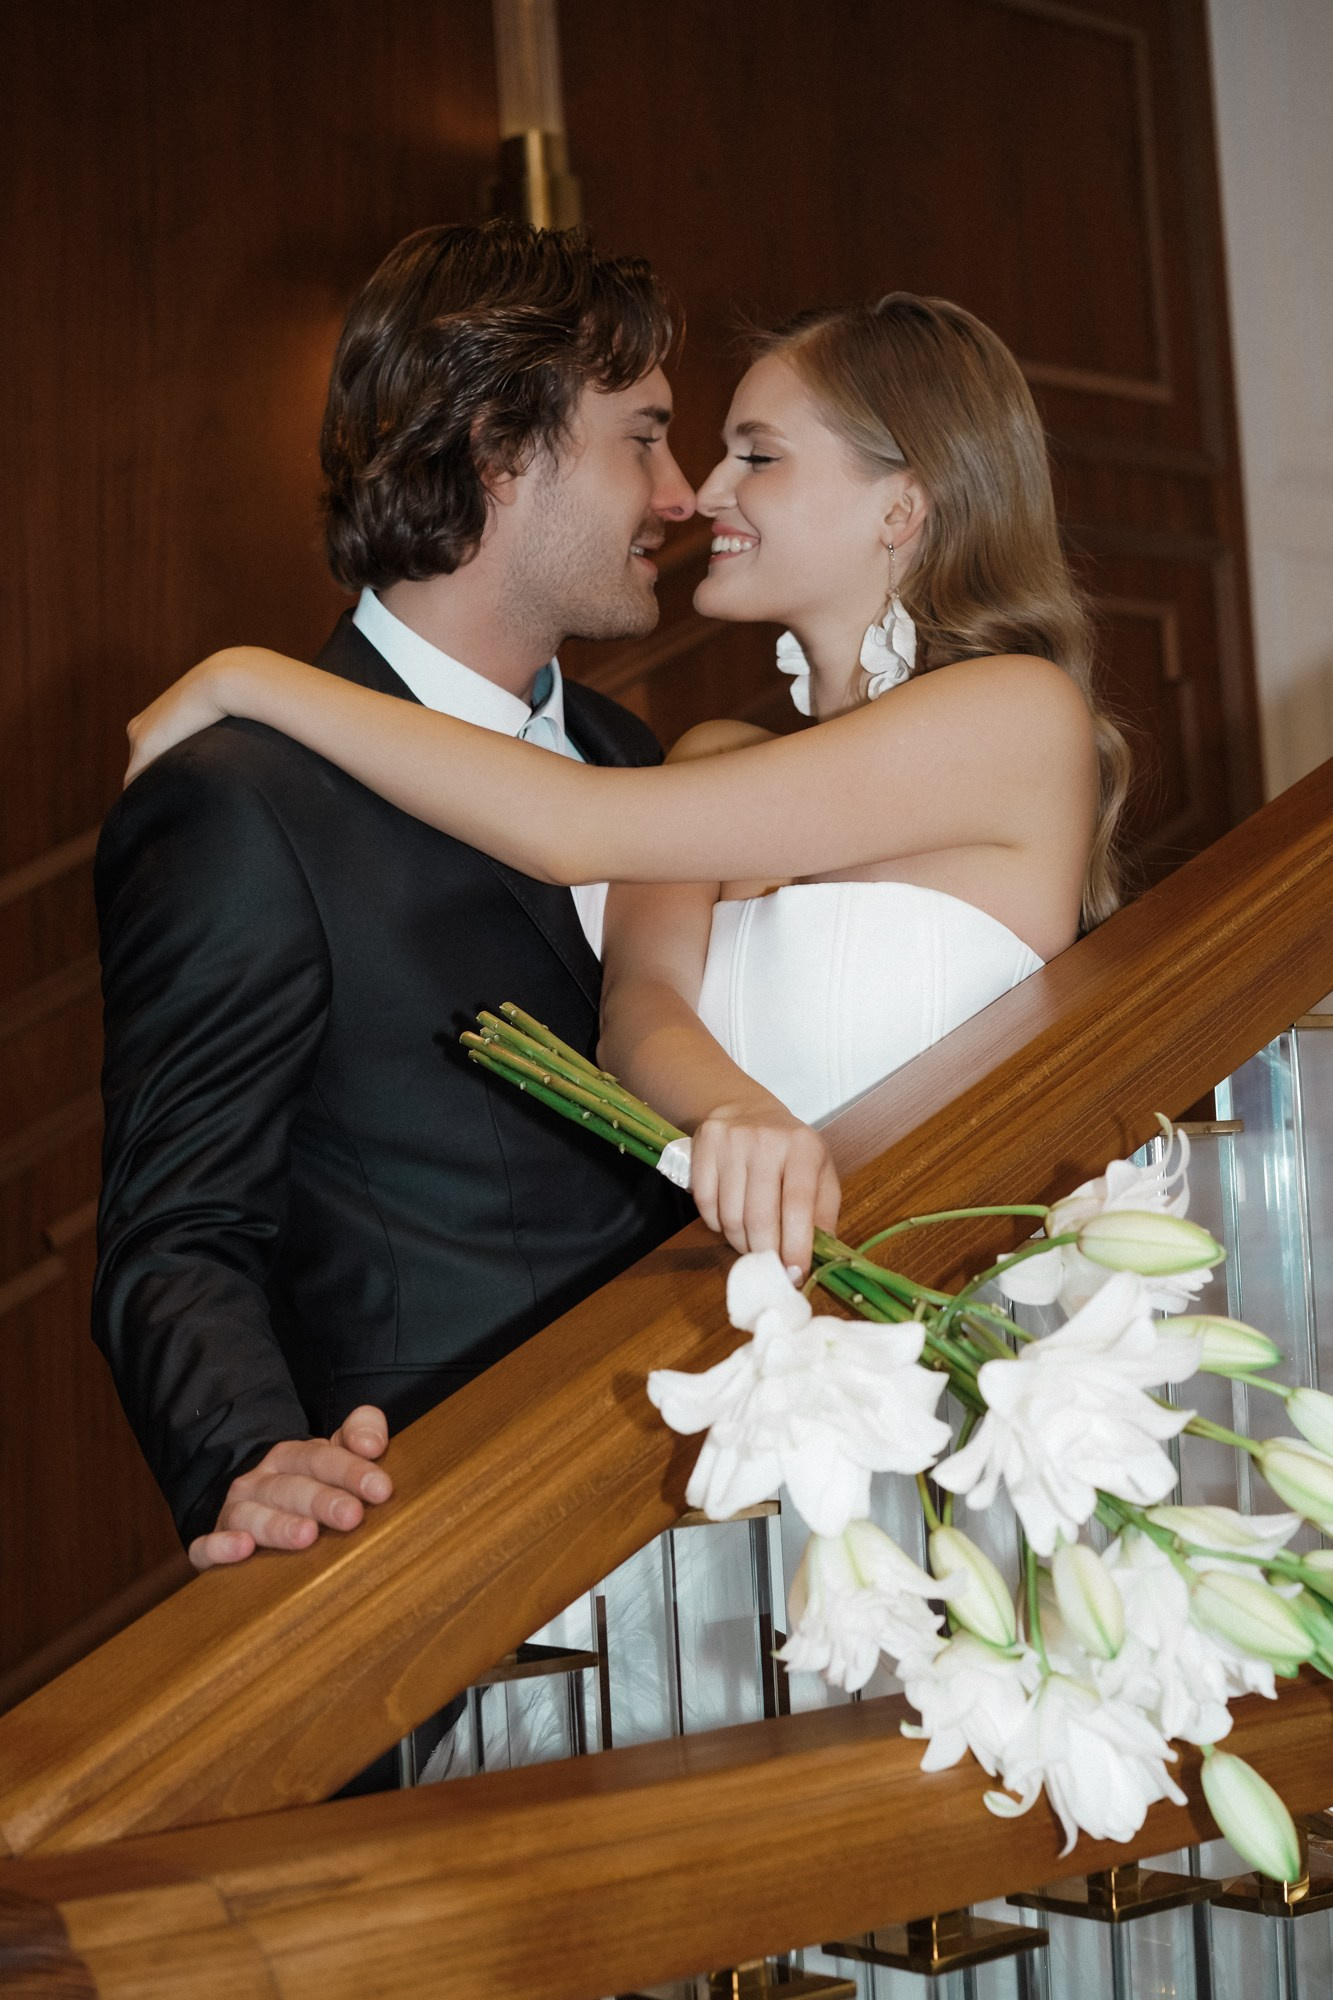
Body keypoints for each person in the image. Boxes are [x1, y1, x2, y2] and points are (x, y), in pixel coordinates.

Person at [127, 292, 1130, 1299]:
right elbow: (637, 1012)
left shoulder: (1018, 713)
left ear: (899, 507)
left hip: (969, 1293)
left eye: (757, 455)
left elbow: (572, 827)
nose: (703, 491)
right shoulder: (702, 755)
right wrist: (734, 1110)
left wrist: (247, 678)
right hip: (771, 1323)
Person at [94, 219, 696, 1582]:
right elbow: (178, 1231)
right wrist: (251, 1455)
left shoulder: (632, 759)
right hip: (457, 1550)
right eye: (642, 439)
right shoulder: (241, 799)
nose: (677, 493)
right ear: (499, 450)